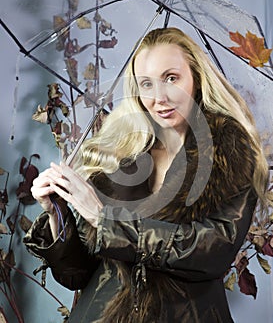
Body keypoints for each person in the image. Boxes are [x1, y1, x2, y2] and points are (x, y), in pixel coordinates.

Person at [24, 27, 269, 323]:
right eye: (147, 84)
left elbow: (214, 251)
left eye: (171, 78)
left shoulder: (229, 151)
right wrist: (56, 213)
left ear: (196, 78)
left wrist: (106, 220)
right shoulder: (120, 154)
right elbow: (78, 275)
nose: (160, 97)